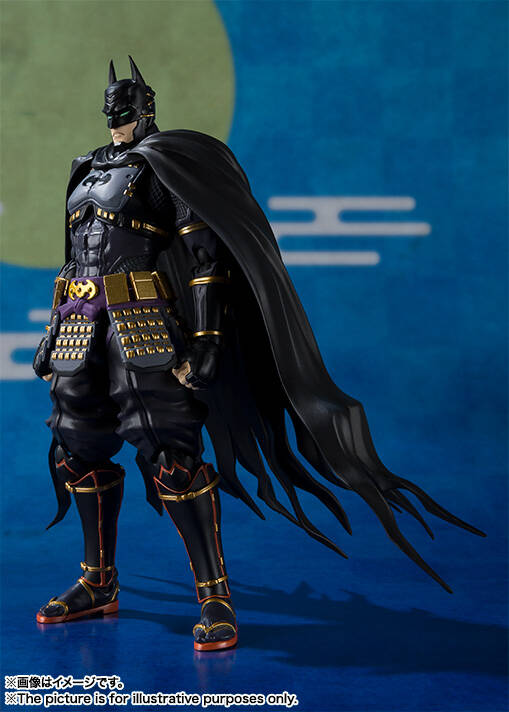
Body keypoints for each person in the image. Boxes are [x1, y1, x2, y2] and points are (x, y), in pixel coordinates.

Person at [33, 57, 484, 651]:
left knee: (172, 455)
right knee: (75, 450)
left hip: (143, 324)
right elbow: (75, 260)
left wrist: (207, 340)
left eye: (125, 110)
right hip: (80, 323)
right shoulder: (87, 170)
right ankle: (98, 581)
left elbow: (205, 261)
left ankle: (214, 594)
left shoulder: (165, 165)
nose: (116, 120)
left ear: (145, 108)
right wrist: (52, 329)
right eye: (110, 111)